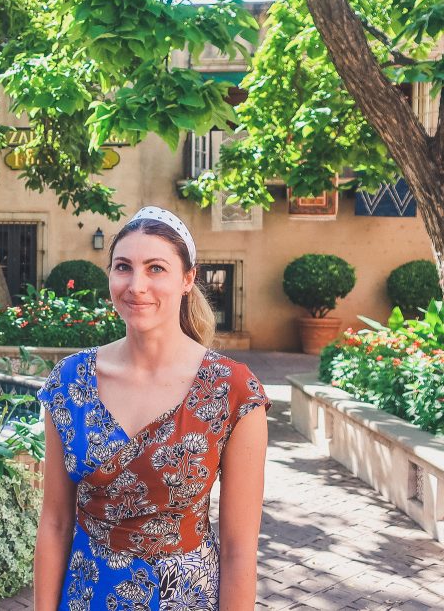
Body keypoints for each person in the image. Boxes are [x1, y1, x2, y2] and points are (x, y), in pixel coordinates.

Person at [34, 206, 270, 611]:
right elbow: (55, 522)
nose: (136, 285)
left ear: (188, 279)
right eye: (123, 267)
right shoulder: (69, 382)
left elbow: (238, 549)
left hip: (183, 596)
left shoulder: (232, 391)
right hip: (88, 595)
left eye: (156, 268)